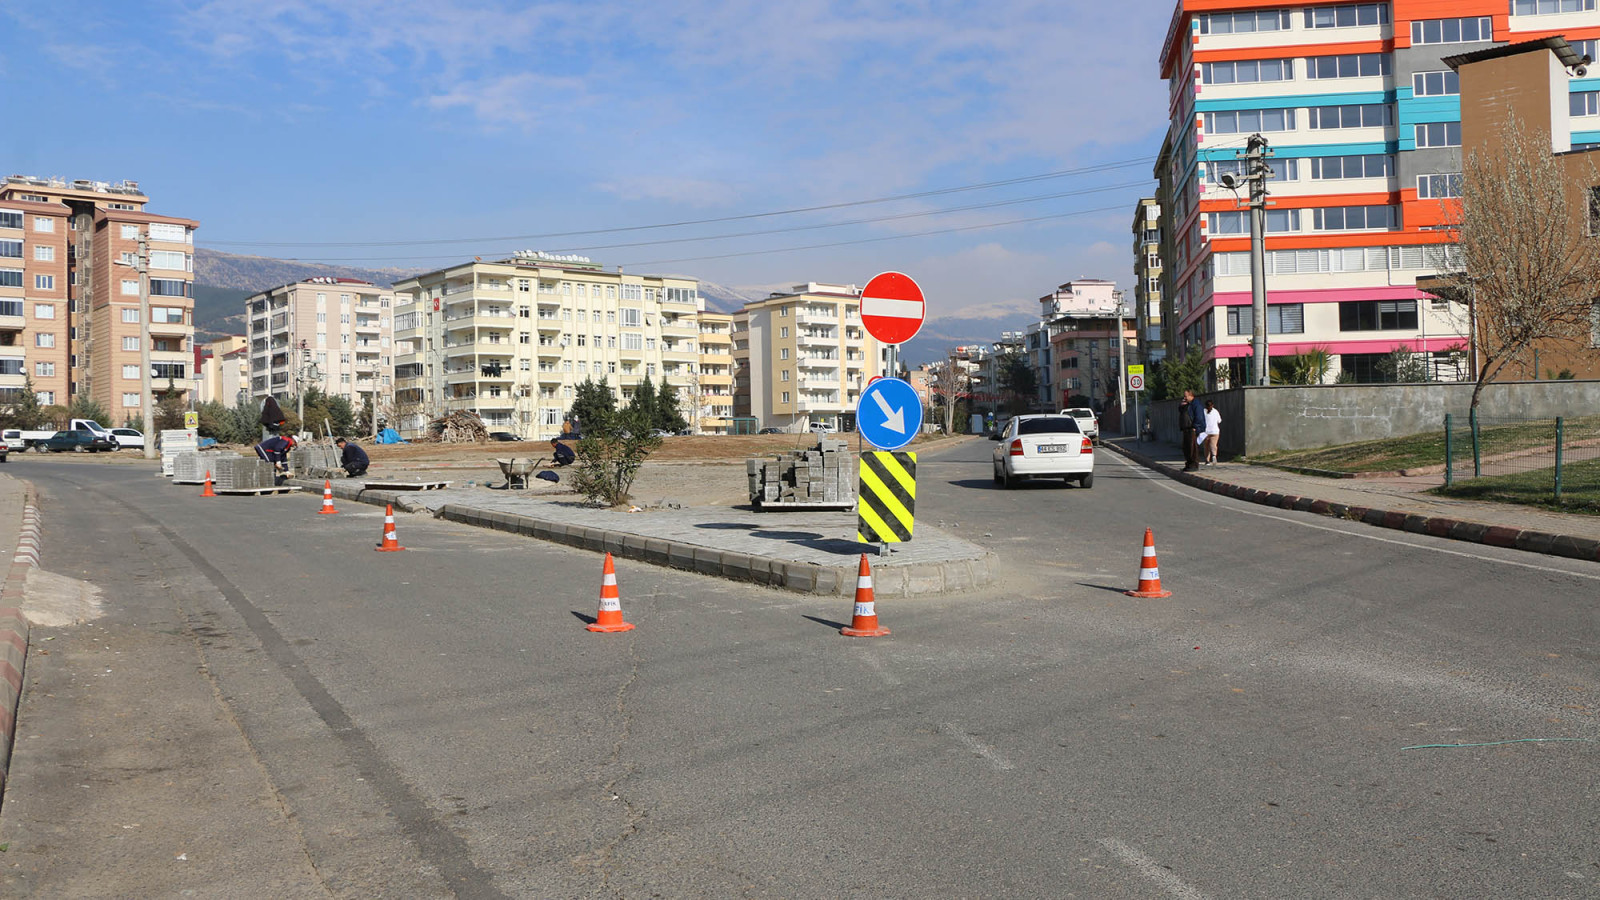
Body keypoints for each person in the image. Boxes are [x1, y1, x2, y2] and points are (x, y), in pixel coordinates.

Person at [1180, 389, 1204, 471]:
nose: (1184, 398)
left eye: (1186, 396)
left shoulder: (1196, 404)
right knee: (1185, 447)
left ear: (1191, 395)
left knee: (1192, 447)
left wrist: (1195, 426)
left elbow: (1199, 416)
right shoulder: (1188, 404)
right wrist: (1182, 405)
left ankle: (1194, 464)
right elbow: (1182, 412)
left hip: (1192, 429)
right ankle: (1189, 463)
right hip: (1186, 428)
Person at [1203, 400, 1222, 465]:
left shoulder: (1203, 412)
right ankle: (1214, 455)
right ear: (1212, 405)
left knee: (1206, 446)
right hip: (1215, 431)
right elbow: (1219, 421)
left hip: (1205, 431)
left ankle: (1207, 460)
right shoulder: (1216, 411)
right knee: (1213, 444)